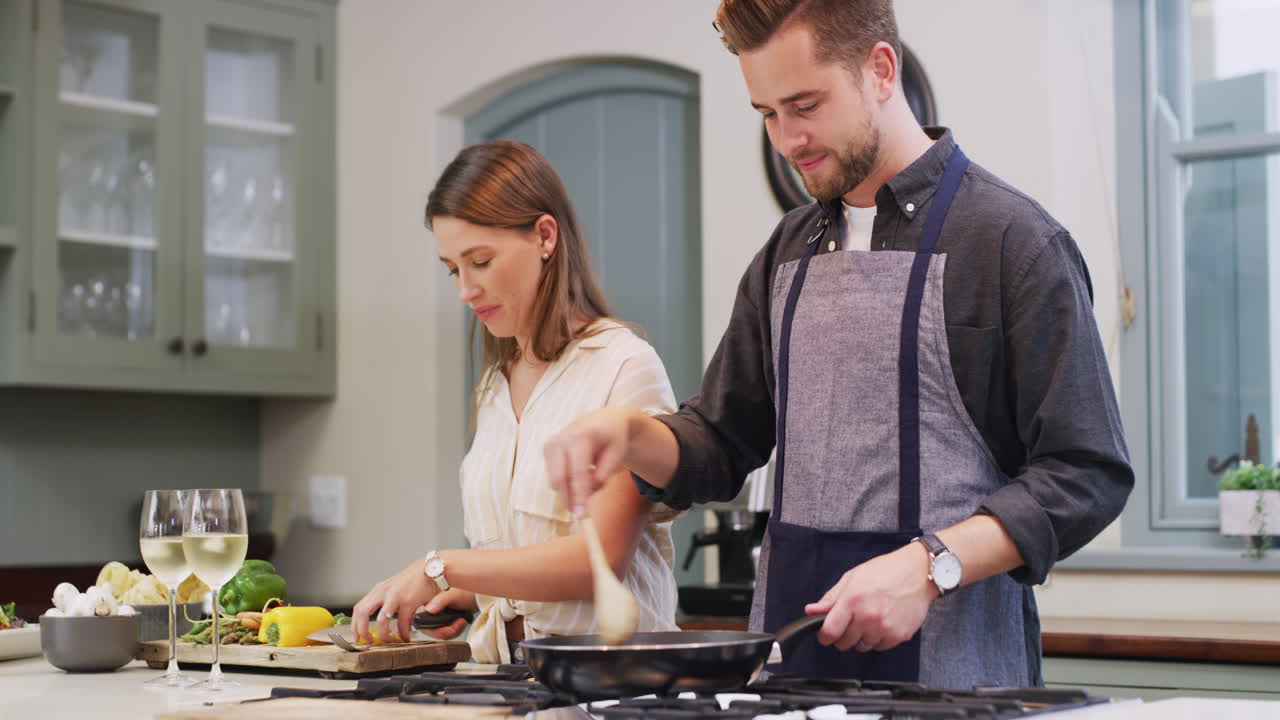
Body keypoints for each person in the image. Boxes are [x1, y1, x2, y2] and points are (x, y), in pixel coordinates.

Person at [543, 0, 1133, 688]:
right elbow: (723, 441)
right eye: (766, 113)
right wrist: (629, 434)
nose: (787, 138)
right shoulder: (786, 252)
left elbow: (1087, 472)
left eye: (805, 104)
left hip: (958, 680)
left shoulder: (1011, 244)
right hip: (795, 668)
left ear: (880, 70)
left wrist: (929, 564)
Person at [353, 140, 682, 664]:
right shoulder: (494, 387)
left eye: (480, 261)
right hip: (509, 675)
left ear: (545, 236)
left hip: (614, 684)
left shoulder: (622, 367)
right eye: (452, 269)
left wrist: (441, 567)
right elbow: (520, 554)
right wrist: (478, 597)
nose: (465, 289)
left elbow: (598, 562)